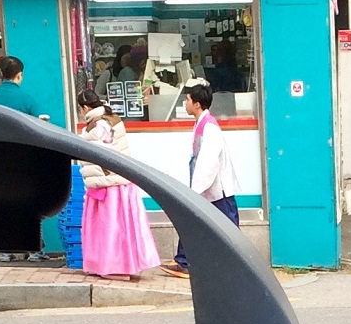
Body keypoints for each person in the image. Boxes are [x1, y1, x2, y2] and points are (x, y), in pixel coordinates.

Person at [77, 102, 162, 280]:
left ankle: (113, 266)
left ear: (85, 107)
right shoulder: (114, 119)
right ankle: (130, 264)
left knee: (109, 228)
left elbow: (96, 153)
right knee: (126, 227)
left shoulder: (95, 125)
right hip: (122, 182)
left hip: (106, 183)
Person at [168, 82, 239, 275]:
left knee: (227, 230)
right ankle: (184, 260)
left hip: (216, 190)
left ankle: (235, 265)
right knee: (196, 223)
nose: (185, 102)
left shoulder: (209, 127)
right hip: (209, 189)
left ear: (197, 104)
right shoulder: (203, 124)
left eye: (188, 99)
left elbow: (209, 161)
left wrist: (197, 190)